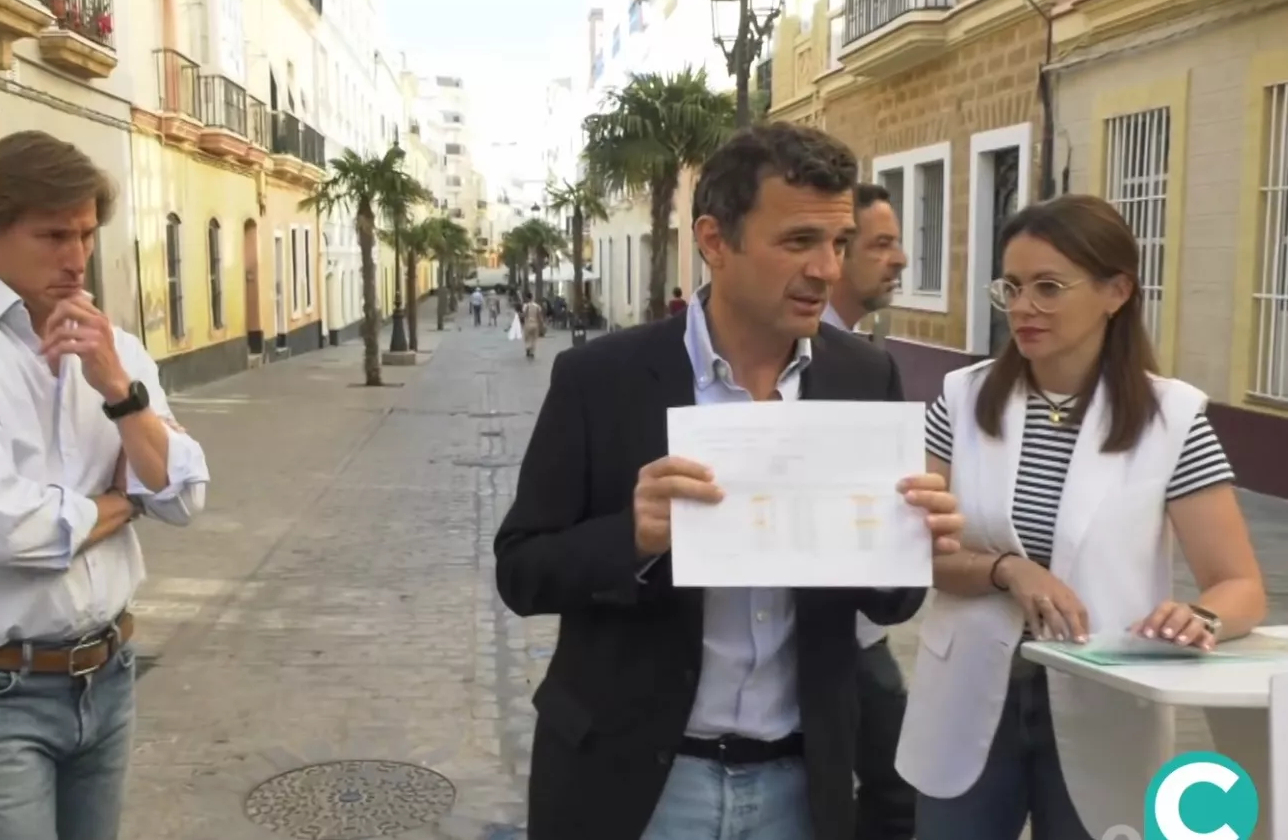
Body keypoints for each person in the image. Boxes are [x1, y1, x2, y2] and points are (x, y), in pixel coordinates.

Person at [495, 122, 965, 840]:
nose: (827, 270)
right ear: (715, 241)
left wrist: (912, 540)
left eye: (838, 243)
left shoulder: (863, 375)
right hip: (637, 785)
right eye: (798, 241)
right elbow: (522, 568)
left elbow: (889, 601)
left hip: (797, 786)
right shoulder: (601, 379)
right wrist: (633, 536)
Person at [896, 194, 1267, 840]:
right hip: (967, 701)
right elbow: (915, 552)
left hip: (1106, 702)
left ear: (1115, 291)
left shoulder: (1172, 418)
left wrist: (1198, 616)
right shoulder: (962, 399)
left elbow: (1240, 585)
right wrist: (1006, 569)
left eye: (1048, 286)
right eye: (1011, 286)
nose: (1022, 307)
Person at [0, 131, 211, 840]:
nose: (77, 257)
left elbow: (185, 494)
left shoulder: (112, 347)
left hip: (106, 675)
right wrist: (125, 501)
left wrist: (120, 393)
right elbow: (1, 528)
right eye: (54, 234)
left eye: (87, 234)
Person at [820, 182, 913, 840]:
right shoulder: (796, 361)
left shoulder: (868, 365)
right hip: (829, 636)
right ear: (838, 253)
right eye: (882, 244)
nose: (900, 258)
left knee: (894, 791)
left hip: (864, 626)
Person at [521, 292, 544, 359]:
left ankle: (528, 348)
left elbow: (524, 315)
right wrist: (542, 324)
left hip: (528, 323)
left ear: (526, 298)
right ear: (532, 297)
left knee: (527, 337)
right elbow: (539, 316)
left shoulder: (525, 306)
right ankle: (532, 352)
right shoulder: (537, 306)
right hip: (535, 323)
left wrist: (520, 317)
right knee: (534, 338)